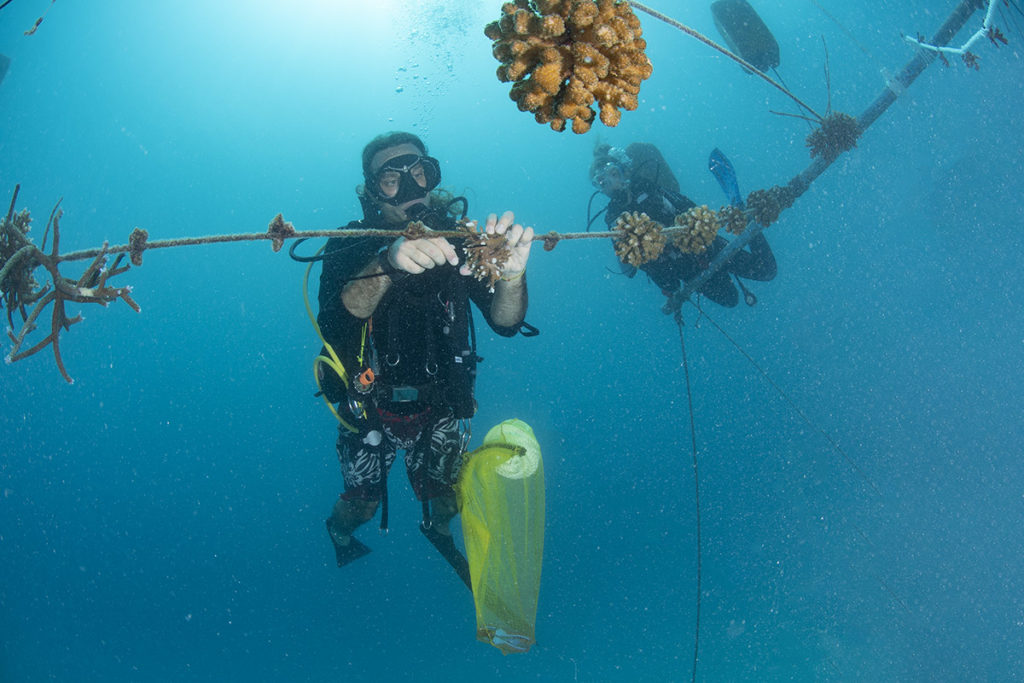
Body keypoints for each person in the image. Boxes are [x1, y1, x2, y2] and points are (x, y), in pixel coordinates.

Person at [317, 131, 533, 569]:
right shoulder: (348, 242)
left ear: (433, 175)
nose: (412, 186)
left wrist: (511, 277)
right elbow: (340, 318)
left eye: (419, 171)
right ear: (372, 191)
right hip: (367, 407)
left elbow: (506, 322)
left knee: (446, 501)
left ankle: (435, 528)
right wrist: (388, 263)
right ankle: (339, 533)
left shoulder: (460, 239)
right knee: (362, 506)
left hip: (441, 403)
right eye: (392, 180)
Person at [589, 142, 776, 308]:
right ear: (599, 188)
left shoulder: (648, 188)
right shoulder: (613, 220)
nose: (610, 184)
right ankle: (738, 230)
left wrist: (671, 227)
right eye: (602, 182)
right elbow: (628, 269)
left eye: (614, 174)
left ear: (624, 172)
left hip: (706, 248)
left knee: (767, 271)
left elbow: (691, 209)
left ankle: (743, 217)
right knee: (731, 299)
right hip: (685, 271)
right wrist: (643, 252)